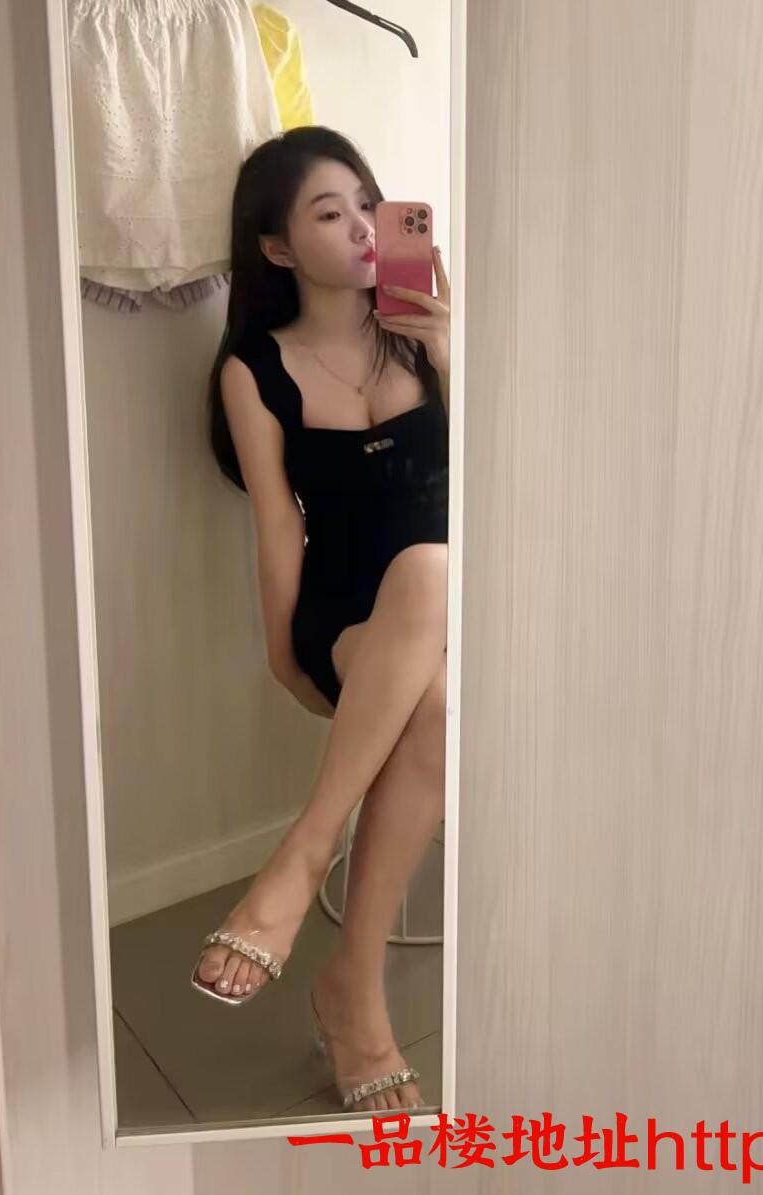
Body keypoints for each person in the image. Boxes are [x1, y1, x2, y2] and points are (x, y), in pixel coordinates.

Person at [191, 125, 450, 1115]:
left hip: (450, 604)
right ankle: (346, 980)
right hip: (345, 610)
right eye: (329, 213)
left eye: (367, 204)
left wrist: (451, 355)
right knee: (426, 586)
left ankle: (314, 884)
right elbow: (277, 524)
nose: (361, 227)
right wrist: (282, 655)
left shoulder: (426, 333)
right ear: (277, 248)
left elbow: (505, 469)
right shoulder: (254, 369)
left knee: (436, 635)